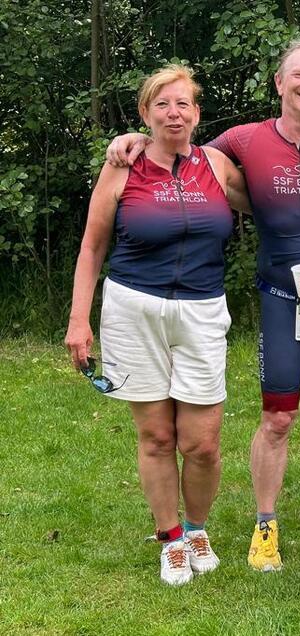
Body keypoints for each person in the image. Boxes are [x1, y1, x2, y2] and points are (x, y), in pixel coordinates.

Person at [106, 40, 300, 569]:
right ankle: (265, 523)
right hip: (282, 295)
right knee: (278, 419)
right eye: (298, 75)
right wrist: (134, 139)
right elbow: (180, 148)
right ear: (279, 84)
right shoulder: (244, 139)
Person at [65, 64, 250, 585]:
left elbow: (274, 197)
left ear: (196, 113)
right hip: (132, 309)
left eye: (183, 104)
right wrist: (80, 319)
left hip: (202, 312)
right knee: (154, 435)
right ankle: (170, 539)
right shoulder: (123, 164)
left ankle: (196, 528)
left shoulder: (216, 164)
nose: (174, 113)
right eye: (162, 104)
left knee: (202, 443)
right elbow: (92, 245)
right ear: (145, 113)